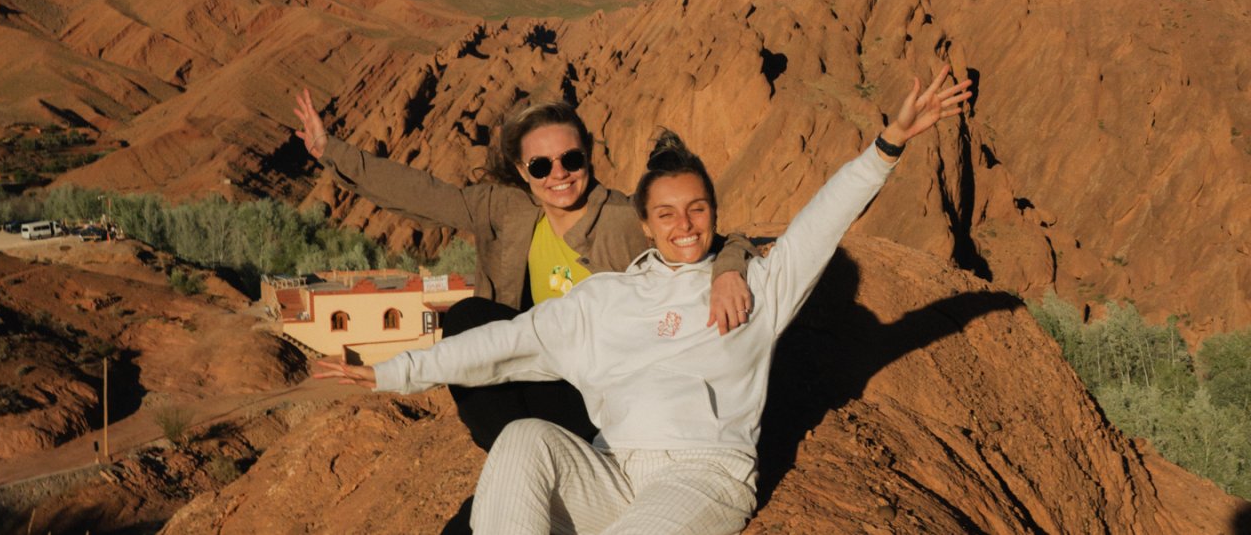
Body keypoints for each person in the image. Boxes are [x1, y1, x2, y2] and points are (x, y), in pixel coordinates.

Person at [315, 65, 971, 534]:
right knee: (521, 439)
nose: (683, 224)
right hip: (611, 465)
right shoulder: (608, 296)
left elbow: (820, 223)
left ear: (713, 215)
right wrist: (387, 372)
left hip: (702, 474)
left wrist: (886, 147)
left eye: (697, 210)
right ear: (648, 222)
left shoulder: (756, 289)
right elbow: (505, 342)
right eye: (667, 213)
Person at [294, 90, 757, 450]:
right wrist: (328, 149)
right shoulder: (505, 209)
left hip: (601, 391)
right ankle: (517, 455)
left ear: (588, 157)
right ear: (521, 169)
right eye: (540, 165)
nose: (559, 174)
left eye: (571, 159)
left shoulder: (621, 218)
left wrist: (730, 270)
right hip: (531, 373)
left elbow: (708, 237)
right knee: (468, 319)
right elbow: (419, 193)